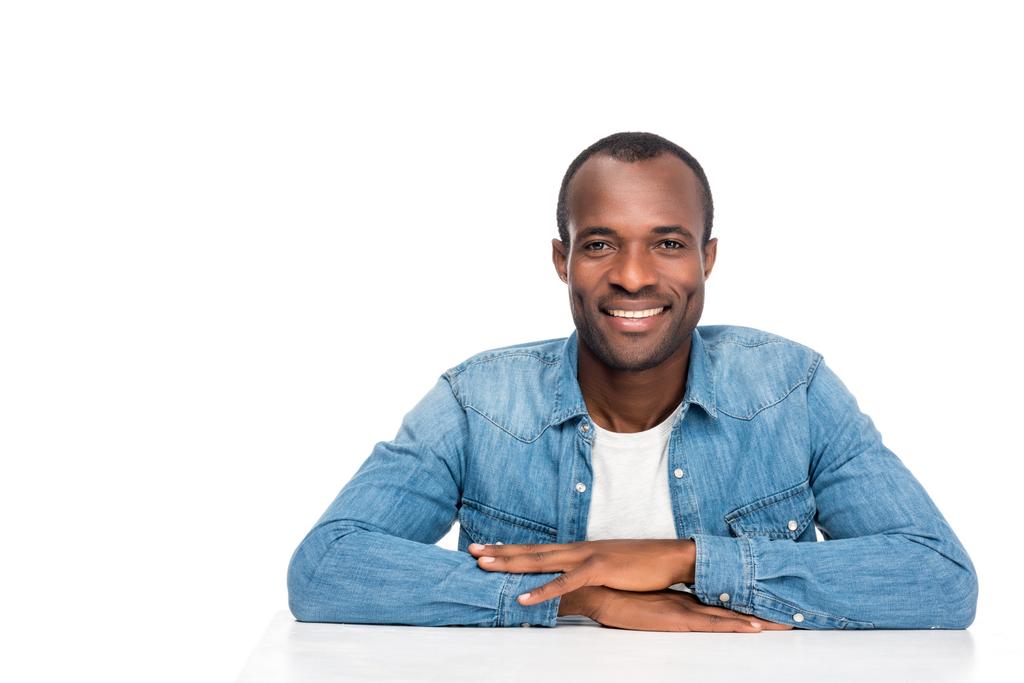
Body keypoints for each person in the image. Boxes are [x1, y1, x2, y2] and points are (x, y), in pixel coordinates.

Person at [286, 132, 978, 631]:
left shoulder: (790, 388)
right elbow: (326, 566)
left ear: (708, 257)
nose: (635, 275)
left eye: (669, 243)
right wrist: (580, 594)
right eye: (600, 243)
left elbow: (938, 580)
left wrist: (680, 560)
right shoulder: (480, 401)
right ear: (563, 259)